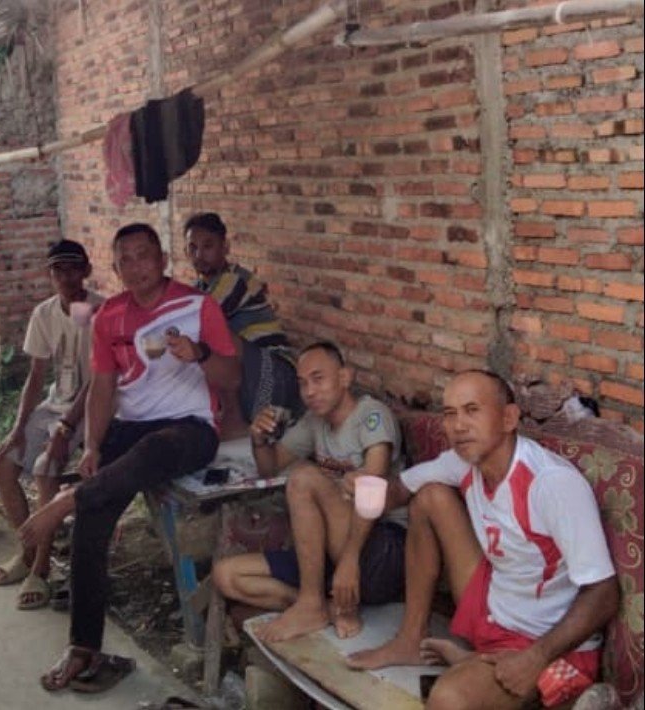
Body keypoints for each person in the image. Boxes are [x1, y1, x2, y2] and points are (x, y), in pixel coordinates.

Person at [18, 223, 240, 692]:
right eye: (126, 260)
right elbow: (103, 386)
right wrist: (94, 445)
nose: (137, 266)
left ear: (163, 260)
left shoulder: (198, 307)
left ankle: (67, 499)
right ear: (116, 269)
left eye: (145, 255)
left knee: (149, 452)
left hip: (190, 429)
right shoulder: (109, 316)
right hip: (132, 429)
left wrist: (199, 353)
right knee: (93, 517)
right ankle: (84, 647)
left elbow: (232, 378)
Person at [348, 370, 619, 710]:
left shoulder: (551, 484)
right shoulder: (463, 462)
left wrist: (535, 658)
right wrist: (362, 485)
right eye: (449, 414)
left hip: (543, 642)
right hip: (494, 607)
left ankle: (488, 670)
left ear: (508, 418)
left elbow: (604, 593)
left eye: (472, 410)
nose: (458, 425)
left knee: (447, 699)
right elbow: (400, 490)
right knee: (429, 497)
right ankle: (411, 639)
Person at [213, 341, 406, 642]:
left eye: (318, 379)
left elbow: (373, 493)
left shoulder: (372, 416)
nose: (309, 392)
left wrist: (350, 563)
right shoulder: (314, 422)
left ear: (345, 377)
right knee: (226, 575)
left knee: (304, 477)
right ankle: (322, 606)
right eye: (303, 383)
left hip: (381, 553)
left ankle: (311, 602)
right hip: (331, 550)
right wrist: (259, 440)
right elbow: (270, 468)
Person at [0, 239, 102, 610]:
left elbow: (97, 379)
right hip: (56, 403)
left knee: (45, 467)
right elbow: (36, 376)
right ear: (49, 274)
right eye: (58, 270)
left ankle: (41, 567)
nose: (66, 277)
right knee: (3, 462)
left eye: (73, 269)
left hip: (90, 407)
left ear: (86, 270)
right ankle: (27, 551)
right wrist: (19, 428)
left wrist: (65, 431)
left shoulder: (96, 310)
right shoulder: (45, 313)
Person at [184, 212, 301, 436]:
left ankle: (234, 420)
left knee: (212, 335)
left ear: (225, 247)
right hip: (245, 374)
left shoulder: (236, 281)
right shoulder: (199, 288)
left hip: (275, 373)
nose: (199, 255)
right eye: (192, 247)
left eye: (208, 246)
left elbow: (194, 321)